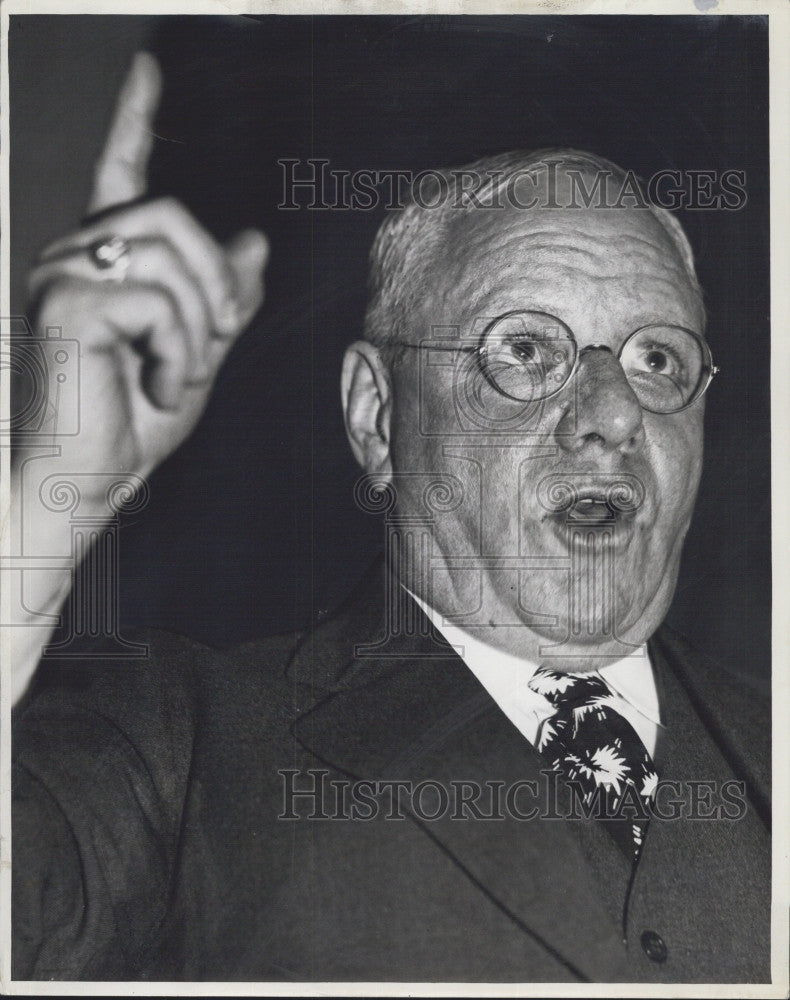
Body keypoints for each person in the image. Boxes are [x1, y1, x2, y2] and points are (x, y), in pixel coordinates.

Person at [11, 52, 770, 983]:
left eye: (658, 360)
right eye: (526, 348)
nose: (613, 413)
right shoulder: (179, 746)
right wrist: (42, 502)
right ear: (379, 418)